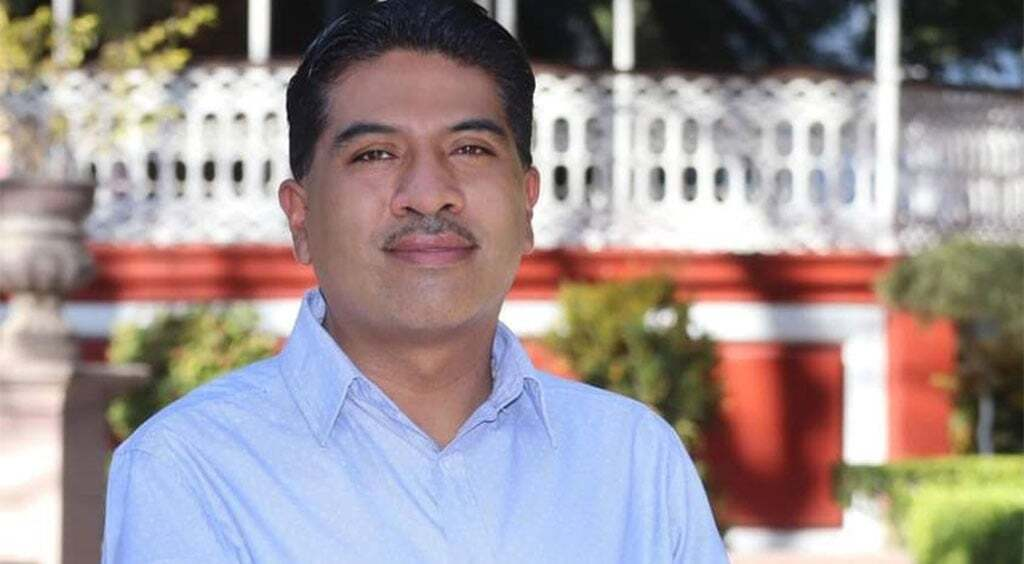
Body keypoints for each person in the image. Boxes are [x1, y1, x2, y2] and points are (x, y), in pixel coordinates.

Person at [102, 0, 728, 561]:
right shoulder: (192, 469)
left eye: (470, 149)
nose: (429, 194)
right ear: (301, 217)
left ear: (527, 204)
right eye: (375, 153)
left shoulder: (634, 462)